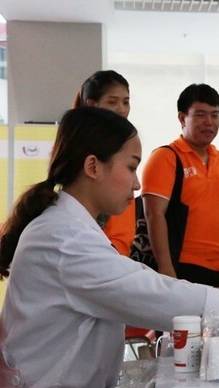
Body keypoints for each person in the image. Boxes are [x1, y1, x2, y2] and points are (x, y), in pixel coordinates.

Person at [0, 107, 219, 388]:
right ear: (93, 166)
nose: (136, 184)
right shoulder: (63, 237)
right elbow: (153, 295)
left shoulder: (72, 227)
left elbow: (142, 283)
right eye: (131, 168)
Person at [141, 83, 219, 287]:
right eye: (200, 115)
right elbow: (154, 215)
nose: (209, 122)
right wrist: (166, 268)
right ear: (182, 118)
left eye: (215, 115)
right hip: (181, 266)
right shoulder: (165, 157)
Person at [73, 70, 134, 256]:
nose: (122, 109)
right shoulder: (80, 147)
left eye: (126, 102)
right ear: (92, 105)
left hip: (120, 246)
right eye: (113, 102)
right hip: (99, 246)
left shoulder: (126, 142)